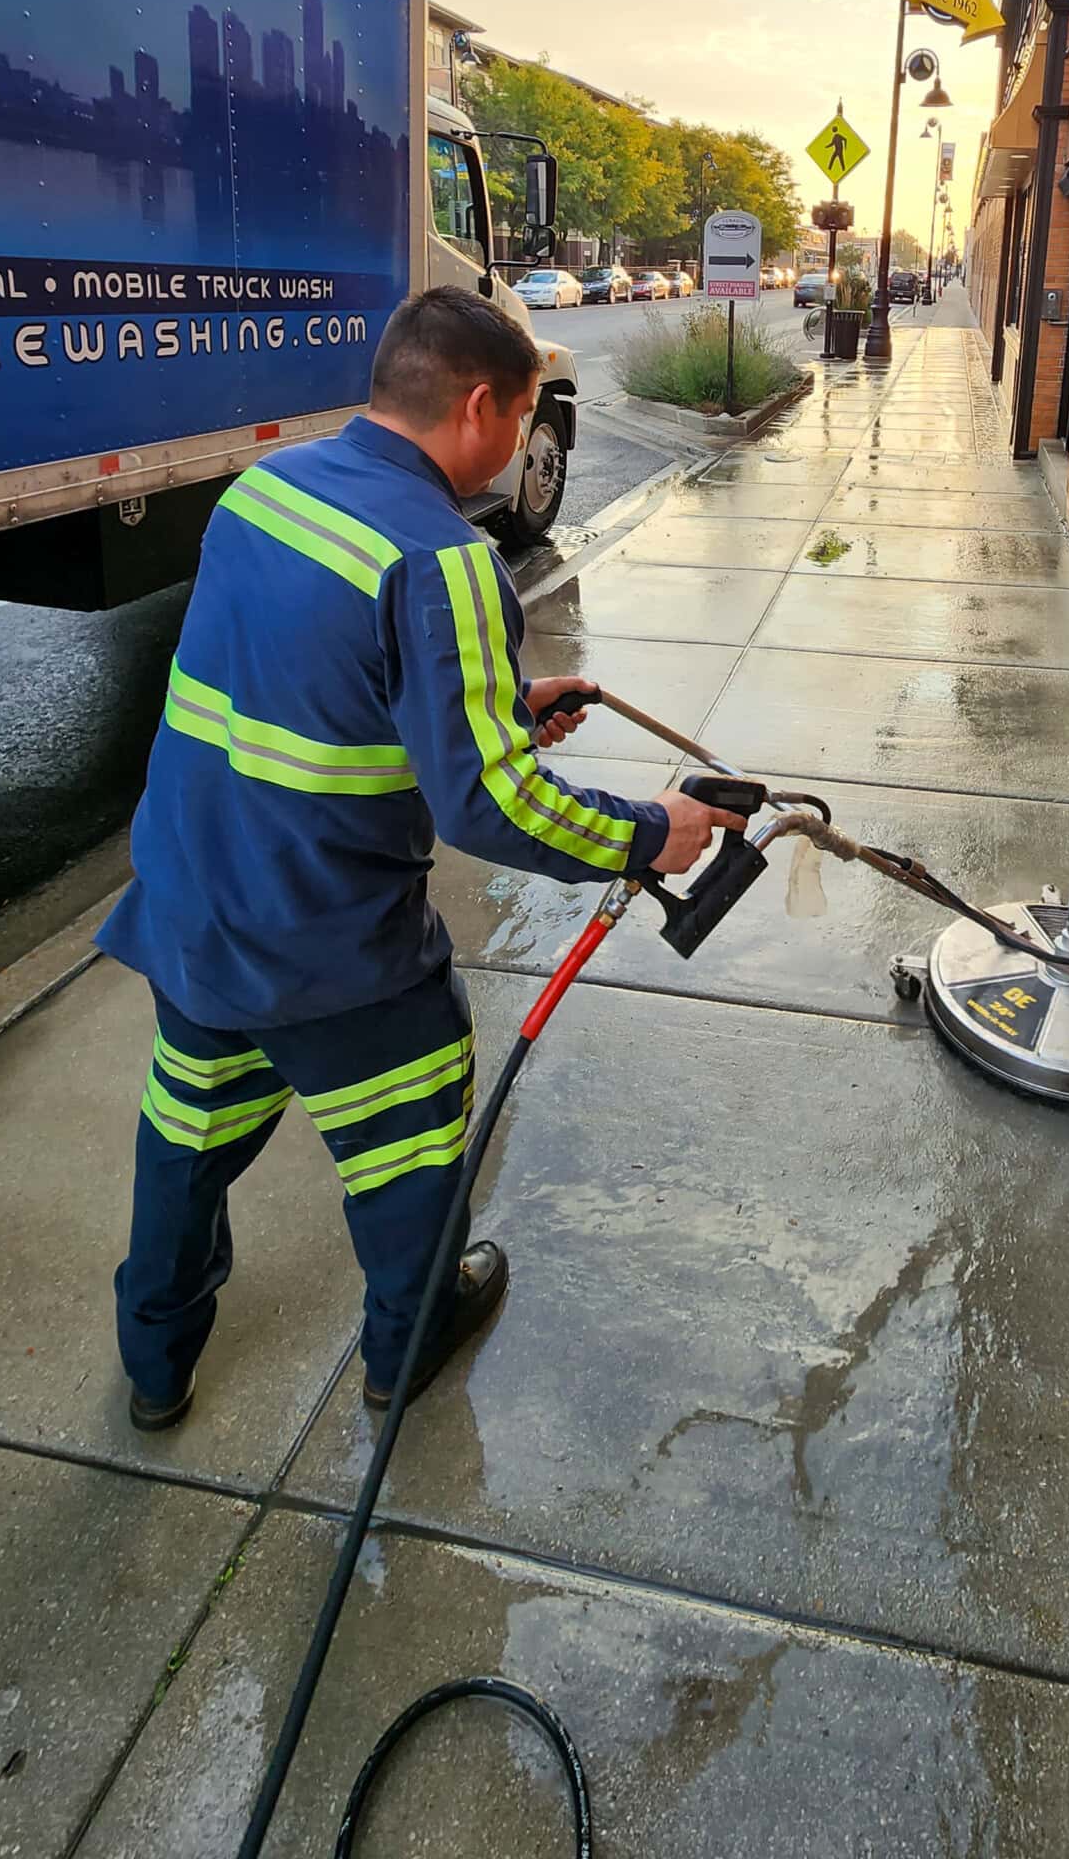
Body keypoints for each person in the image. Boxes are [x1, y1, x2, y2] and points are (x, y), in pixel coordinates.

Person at [101, 285, 742, 1431]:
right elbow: (491, 809)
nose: (520, 440)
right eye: (524, 411)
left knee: (184, 1146)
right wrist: (653, 831)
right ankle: (408, 1342)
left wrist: (486, 701)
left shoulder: (264, 491)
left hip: (194, 914)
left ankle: (154, 1364)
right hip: (331, 952)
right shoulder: (442, 559)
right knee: (410, 1151)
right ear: (483, 403)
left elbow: (307, 679)